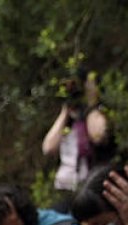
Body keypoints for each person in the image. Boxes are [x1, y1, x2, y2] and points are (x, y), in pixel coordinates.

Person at [42, 67, 112, 209]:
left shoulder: (99, 114)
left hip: (92, 187)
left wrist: (92, 103)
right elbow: (48, 148)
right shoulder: (68, 121)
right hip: (65, 188)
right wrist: (66, 109)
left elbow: (98, 136)